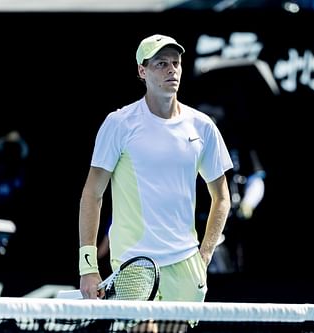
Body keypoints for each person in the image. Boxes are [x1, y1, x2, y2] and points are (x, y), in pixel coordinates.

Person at [78, 34, 233, 306]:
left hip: (186, 263)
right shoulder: (119, 124)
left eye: (176, 62)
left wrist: (204, 255)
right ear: (142, 70)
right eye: (161, 63)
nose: (171, 69)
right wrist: (88, 267)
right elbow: (92, 193)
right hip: (132, 260)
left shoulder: (203, 126)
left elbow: (221, 198)